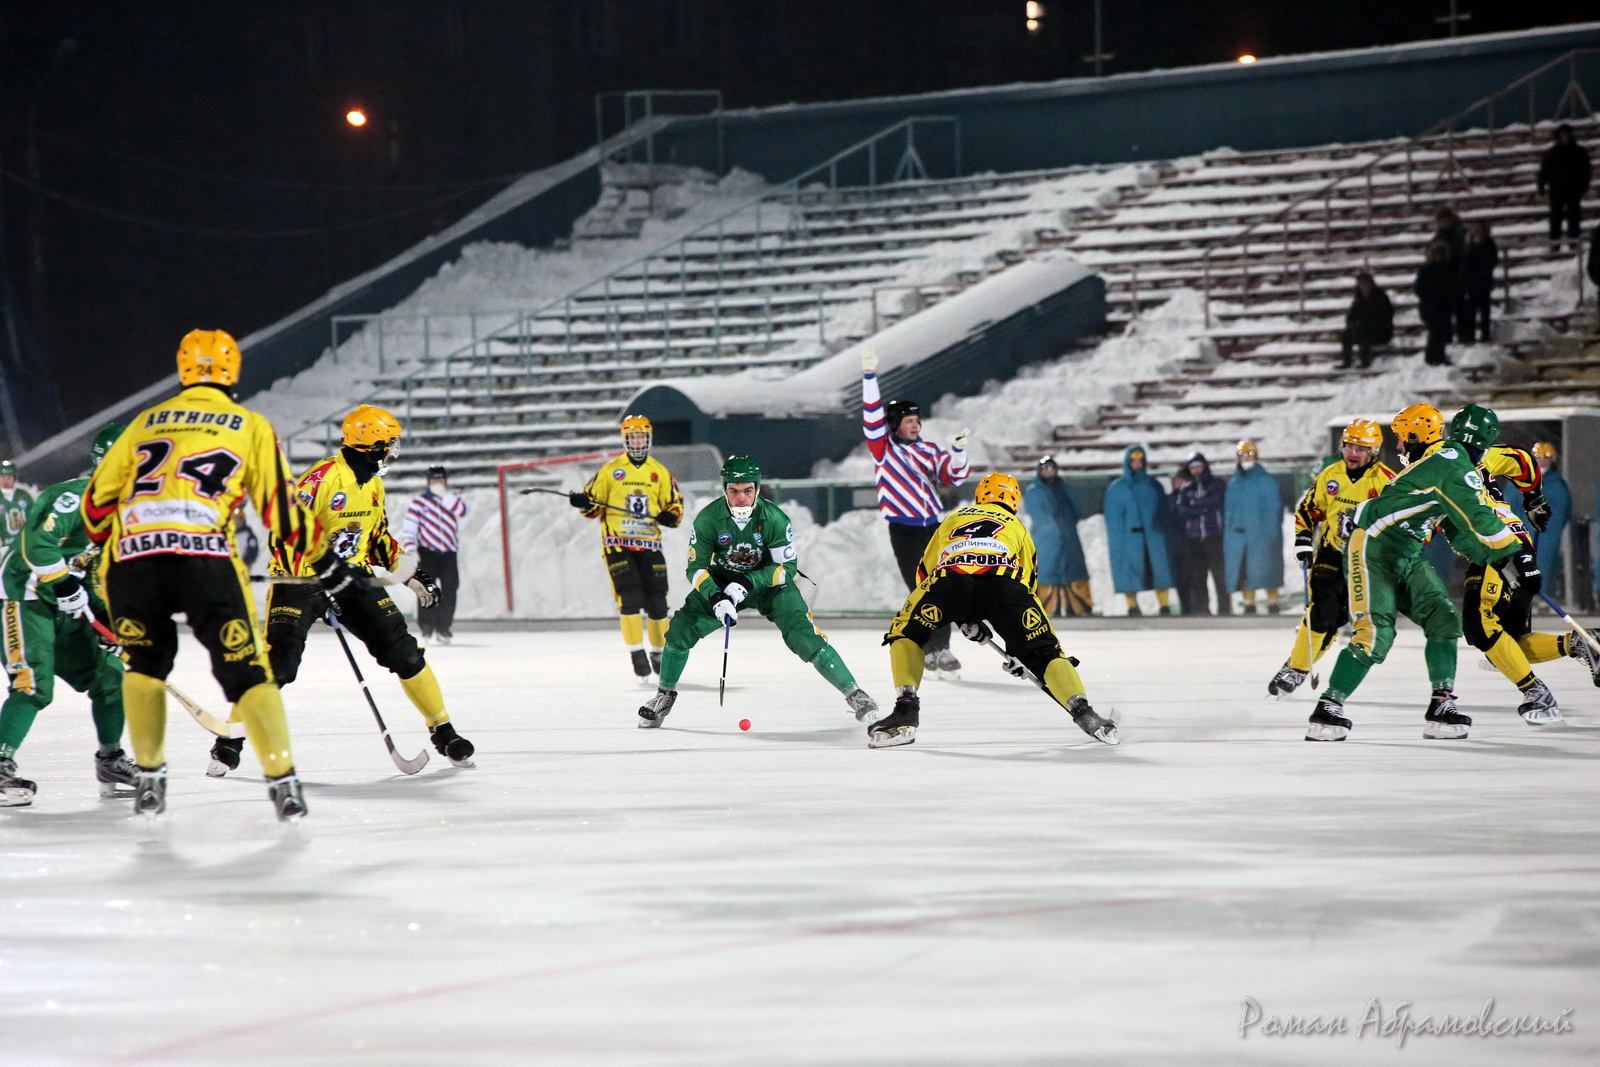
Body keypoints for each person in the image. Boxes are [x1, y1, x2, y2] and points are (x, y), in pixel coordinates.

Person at [82, 329, 355, 820]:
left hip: (133, 562)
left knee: (144, 668)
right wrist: (326, 564)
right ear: (233, 372)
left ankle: (149, 778)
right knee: (248, 670)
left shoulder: (144, 422)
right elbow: (282, 512)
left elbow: (95, 510)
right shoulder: (249, 425)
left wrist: (114, 547)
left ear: (183, 370)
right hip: (205, 559)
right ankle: (283, 780)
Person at [206, 404, 470, 779]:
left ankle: (444, 731)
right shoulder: (322, 480)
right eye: (389, 445)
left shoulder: (373, 484)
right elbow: (285, 533)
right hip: (299, 579)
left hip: (351, 578)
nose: (392, 453)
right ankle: (230, 740)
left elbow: (376, 540)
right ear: (371, 445)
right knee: (279, 665)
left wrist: (412, 574)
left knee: (403, 651)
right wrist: (318, 576)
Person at [1305, 404, 1521, 742]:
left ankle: (1441, 704)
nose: (1399, 447)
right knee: (1375, 633)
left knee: (1444, 619)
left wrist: (1500, 557)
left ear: (1416, 437)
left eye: (1402, 439)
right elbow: (1473, 519)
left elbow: (1462, 525)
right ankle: (1328, 708)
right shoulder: (1449, 461)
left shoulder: (1446, 461)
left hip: (1401, 550)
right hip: (1373, 546)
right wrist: (1512, 555)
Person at [870, 471, 1117, 749]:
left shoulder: (955, 517)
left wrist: (962, 614)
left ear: (980, 495)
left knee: (906, 633)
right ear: (1014, 500)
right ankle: (1084, 712)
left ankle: (905, 710)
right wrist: (1020, 650)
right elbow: (1027, 584)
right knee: (1046, 653)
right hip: (1006, 584)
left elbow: (925, 572)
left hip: (951, 579)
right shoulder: (1016, 525)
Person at [636, 456, 877, 728]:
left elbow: (786, 568)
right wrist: (716, 597)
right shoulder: (708, 519)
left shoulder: (774, 518)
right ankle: (664, 695)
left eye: (747, 491)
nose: (741, 498)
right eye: (734, 491)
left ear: (758, 489)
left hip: (769, 585)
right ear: (724, 490)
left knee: (804, 636)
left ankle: (855, 694)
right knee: (681, 629)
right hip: (722, 580)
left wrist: (748, 583)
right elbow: (696, 568)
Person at [0, 424, 134, 807]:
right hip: (25, 598)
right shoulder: (76, 496)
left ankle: (110, 760)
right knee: (32, 683)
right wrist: (63, 586)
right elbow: (37, 544)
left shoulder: (121, 509)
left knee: (110, 676)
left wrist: (107, 621)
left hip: (64, 601)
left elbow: (89, 571)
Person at [1458, 435, 1593, 724]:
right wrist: (1533, 500)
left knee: (1480, 628)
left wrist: (1533, 504)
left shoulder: (1443, 470)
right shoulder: (1485, 460)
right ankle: (1579, 643)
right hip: (1514, 544)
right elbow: (1520, 460)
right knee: (1512, 640)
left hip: (1500, 549)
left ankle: (1536, 694)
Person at [860, 346, 970, 678]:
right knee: (921, 589)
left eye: (917, 420)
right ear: (895, 424)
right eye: (908, 421)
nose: (915, 425)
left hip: (932, 527)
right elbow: (871, 417)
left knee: (941, 586)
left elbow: (953, 476)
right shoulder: (884, 450)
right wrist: (869, 377)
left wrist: (958, 451)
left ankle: (941, 648)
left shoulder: (928, 450)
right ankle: (929, 647)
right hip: (904, 530)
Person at [1267, 418, 1393, 698]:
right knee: (1321, 611)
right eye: (1348, 446)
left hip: (1364, 562)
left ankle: (1298, 660)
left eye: (1360, 448)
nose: (1352, 453)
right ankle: (1298, 668)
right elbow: (1308, 510)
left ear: (1374, 451)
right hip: (1331, 553)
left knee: (1335, 620)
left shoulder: (1386, 481)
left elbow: (1398, 523)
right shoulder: (1330, 475)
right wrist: (1303, 539)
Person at [569, 416, 683, 681]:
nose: (638, 442)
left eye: (642, 437)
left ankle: (658, 653)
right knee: (629, 597)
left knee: (658, 602)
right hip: (617, 544)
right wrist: (583, 502)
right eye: (633, 437)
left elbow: (674, 504)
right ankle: (636, 653)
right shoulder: (610, 470)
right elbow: (592, 506)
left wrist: (671, 516)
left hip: (650, 544)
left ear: (649, 439)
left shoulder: (660, 472)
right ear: (626, 440)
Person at [1102, 445, 1176, 616]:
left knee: (1159, 569)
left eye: (1139, 461)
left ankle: (1164, 604)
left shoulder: (1154, 485)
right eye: (1133, 461)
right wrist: (1118, 539)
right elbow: (1113, 518)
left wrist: (1161, 530)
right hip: (1129, 539)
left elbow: (1163, 511)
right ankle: (1132, 604)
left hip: (1153, 537)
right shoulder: (1117, 488)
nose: (1137, 464)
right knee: (1129, 571)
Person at [402, 464, 470, 646]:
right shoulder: (419, 502)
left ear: (445, 481)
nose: (437, 483)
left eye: (440, 480)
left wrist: (446, 497)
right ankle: (426, 626)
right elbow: (410, 527)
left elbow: (463, 511)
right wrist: (410, 548)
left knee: (450, 590)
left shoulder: (453, 499)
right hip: (427, 553)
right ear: (428, 482)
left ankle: (443, 627)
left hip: (448, 553)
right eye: (433, 480)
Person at [1022, 456, 1092, 616]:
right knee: (1047, 574)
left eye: (1051, 469)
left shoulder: (1065, 489)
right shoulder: (1034, 492)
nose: (1049, 472)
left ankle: (1077, 607)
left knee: (1073, 572)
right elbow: (1040, 516)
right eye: (1045, 469)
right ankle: (1049, 607)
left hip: (1068, 540)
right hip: (1046, 541)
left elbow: (1079, 509)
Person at [1223, 441, 1283, 615]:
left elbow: (1274, 509)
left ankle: (1273, 602)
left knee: (1268, 569)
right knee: (1245, 571)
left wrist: (1270, 533)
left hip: (1263, 535)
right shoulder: (1234, 483)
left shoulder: (1266, 481)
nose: (1246, 458)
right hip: (1241, 537)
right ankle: (1249, 603)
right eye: (1243, 455)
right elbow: (1230, 511)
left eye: (1249, 454)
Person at [1171, 452, 1226, 615]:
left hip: (1214, 536)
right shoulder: (1186, 489)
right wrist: (1202, 508)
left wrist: (1195, 505)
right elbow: (1181, 510)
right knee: (1198, 578)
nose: (1196, 470)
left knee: (1220, 576)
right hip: (1194, 538)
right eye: (1192, 467)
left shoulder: (1216, 484)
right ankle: (1202, 610)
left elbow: (1215, 502)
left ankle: (1224, 609)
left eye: (1198, 466)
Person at [1537, 124, 1591, 245]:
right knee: (1556, 217)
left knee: (1574, 217)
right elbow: (1544, 171)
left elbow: (1585, 171)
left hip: (1573, 190)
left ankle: (1573, 242)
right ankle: (1555, 243)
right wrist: (1541, 185)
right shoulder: (1552, 153)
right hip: (1557, 190)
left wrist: (1584, 185)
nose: (1564, 136)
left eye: (1566, 134)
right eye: (1562, 134)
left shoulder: (1579, 152)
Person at [1528, 442, 1570, 594]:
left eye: (1546, 457)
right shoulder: (1521, 479)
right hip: (1523, 529)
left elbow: (1561, 508)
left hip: (1546, 532)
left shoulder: (1555, 483)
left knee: (1545, 563)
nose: (1541, 461)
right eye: (1538, 457)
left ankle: (1542, 596)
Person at [1414, 241, 1458, 367]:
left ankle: (1436, 356)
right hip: (1431, 307)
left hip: (1444, 306)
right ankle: (1435, 357)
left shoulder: (1448, 268)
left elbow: (1454, 286)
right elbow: (1419, 288)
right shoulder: (1426, 270)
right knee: (1435, 332)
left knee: (1441, 332)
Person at [1338, 272, 1393, 369]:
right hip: (1362, 330)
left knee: (1363, 331)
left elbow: (1385, 316)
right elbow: (1351, 316)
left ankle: (1365, 361)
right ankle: (1347, 362)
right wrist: (1353, 324)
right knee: (1347, 335)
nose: (1363, 287)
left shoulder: (1381, 297)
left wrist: (1366, 323)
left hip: (1381, 332)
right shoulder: (1358, 300)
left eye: (1365, 284)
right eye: (1361, 284)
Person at [1459, 220, 1499, 344]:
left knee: (1484, 311)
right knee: (1470, 311)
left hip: (1482, 282)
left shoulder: (1488, 244)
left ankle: (1485, 335)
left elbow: (1489, 262)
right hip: (1471, 283)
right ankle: (1469, 335)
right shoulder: (1469, 244)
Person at [0, 461, 34, 555]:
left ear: (14, 478)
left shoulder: (25, 495)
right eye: (3, 477)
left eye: (9, 477)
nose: (6, 480)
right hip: (6, 547)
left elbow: (34, 519)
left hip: (27, 544)